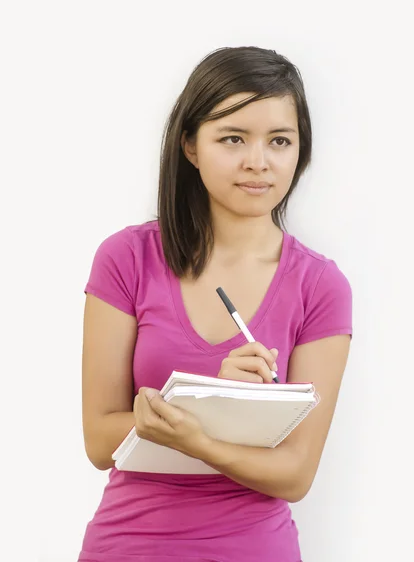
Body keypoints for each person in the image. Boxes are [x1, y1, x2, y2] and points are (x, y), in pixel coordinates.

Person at [79, 45, 353, 562]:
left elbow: (295, 473)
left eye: (279, 140)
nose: (259, 161)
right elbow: (99, 438)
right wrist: (210, 400)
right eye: (233, 138)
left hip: (254, 548)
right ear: (190, 146)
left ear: (301, 151)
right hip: (129, 546)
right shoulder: (126, 259)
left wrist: (200, 435)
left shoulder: (320, 286)